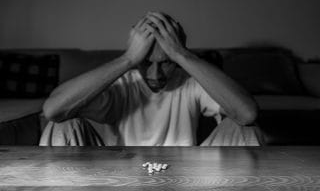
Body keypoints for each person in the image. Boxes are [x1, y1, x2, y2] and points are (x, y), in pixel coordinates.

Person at [39, 12, 261, 146]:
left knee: (244, 128)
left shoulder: (190, 80)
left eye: (165, 62)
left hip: (188, 177)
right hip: (119, 178)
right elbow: (52, 110)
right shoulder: (121, 82)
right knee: (62, 126)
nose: (156, 75)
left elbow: (247, 113)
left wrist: (182, 54)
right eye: (146, 62)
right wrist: (128, 59)